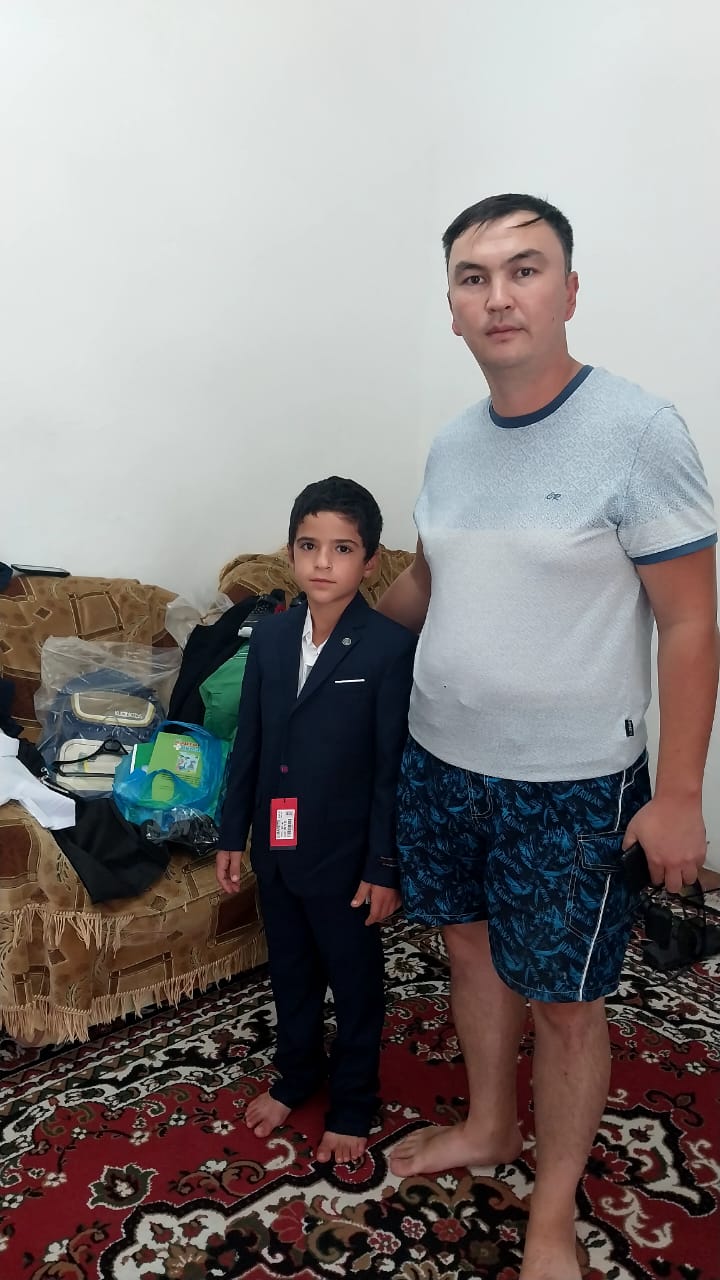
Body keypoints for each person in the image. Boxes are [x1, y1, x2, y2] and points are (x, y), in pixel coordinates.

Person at [377, 194, 719, 1280]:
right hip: (440, 760)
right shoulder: (451, 442)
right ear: (451, 308)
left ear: (569, 291)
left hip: (569, 785)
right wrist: (331, 637)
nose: (499, 295)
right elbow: (432, 577)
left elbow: (690, 620)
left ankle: (554, 1210)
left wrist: (678, 793)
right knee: (470, 950)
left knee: (568, 1002)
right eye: (473, 277)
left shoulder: (639, 430)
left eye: (524, 269)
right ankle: (489, 1123)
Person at [216, 476, 416, 1165]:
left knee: (354, 980)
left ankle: (354, 1100)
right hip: (277, 845)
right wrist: (232, 833)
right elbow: (250, 742)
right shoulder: (271, 637)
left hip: (346, 854)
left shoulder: (388, 648)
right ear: (291, 552)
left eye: (342, 548)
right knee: (291, 969)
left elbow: (391, 769)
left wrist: (383, 866)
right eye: (309, 546)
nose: (322, 562)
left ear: (370, 560)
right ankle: (296, 1073)